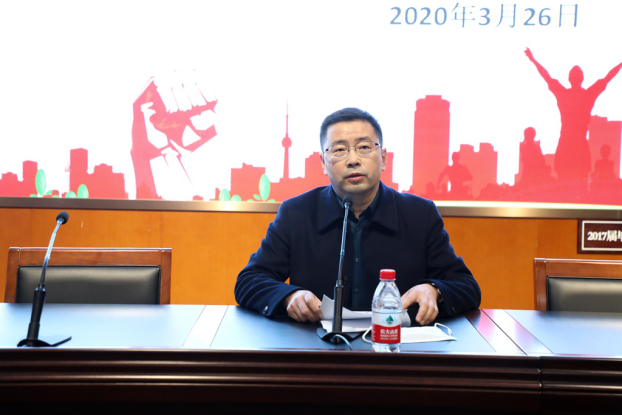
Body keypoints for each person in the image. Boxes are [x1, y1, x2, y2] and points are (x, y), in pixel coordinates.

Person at [235, 108, 481, 326]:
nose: (353, 160)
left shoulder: (419, 214)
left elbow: (466, 286)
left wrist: (434, 290)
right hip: (318, 349)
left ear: (383, 158)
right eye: (339, 150)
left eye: (364, 147)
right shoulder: (296, 213)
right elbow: (249, 280)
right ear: (323, 163)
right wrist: (290, 296)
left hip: (397, 349)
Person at [524, 48, 622, 187]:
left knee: (563, 184)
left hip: (566, 145)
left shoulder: (564, 94)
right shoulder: (587, 96)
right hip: (580, 147)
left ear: (569, 79)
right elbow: (608, 77)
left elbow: (546, 75)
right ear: (582, 79)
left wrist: (533, 60)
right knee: (580, 184)